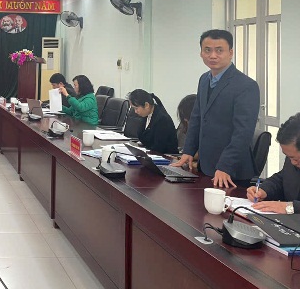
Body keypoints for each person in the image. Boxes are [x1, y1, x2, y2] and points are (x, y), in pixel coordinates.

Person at [172, 29, 260, 188]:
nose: (213, 55)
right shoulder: (204, 80)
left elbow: (243, 132)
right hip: (206, 165)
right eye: (207, 50)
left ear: (230, 53)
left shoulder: (246, 85)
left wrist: (225, 166)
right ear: (201, 53)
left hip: (231, 171)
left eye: (219, 50)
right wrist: (188, 151)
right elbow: (197, 118)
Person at [248, 114, 300, 214]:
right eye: (288, 157)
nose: (292, 162)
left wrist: (290, 207)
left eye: (295, 158)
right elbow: (283, 178)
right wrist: (263, 190)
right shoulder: (293, 158)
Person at [128, 89, 178, 154]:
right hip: (151, 153)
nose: (135, 111)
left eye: (136, 108)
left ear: (146, 105)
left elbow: (159, 148)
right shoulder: (146, 115)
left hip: (165, 156)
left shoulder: (162, 119)